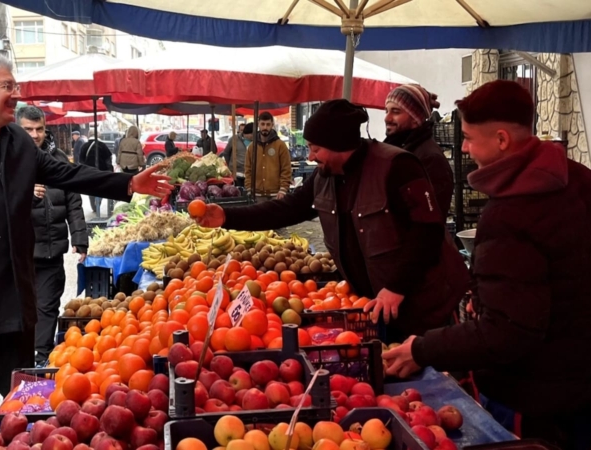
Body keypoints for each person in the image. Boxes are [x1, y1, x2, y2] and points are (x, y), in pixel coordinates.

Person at [0, 55, 172, 450]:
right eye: (8, 86)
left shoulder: (16, 140)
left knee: (28, 396)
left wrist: (128, 184)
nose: (16, 95)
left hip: (12, 291)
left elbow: (66, 173)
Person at [382, 80, 591, 450]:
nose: (463, 147)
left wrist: (422, 349)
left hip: (536, 394)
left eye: (467, 138)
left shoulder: (511, 212)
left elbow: (507, 331)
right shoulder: (578, 177)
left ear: (501, 140)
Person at [192, 100, 468, 341]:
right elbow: (287, 209)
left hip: (421, 303)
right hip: (375, 304)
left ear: (338, 145)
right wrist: (227, 216)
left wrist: (397, 287)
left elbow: (428, 230)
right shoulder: (326, 175)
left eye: (315, 148)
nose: (310, 156)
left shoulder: (397, 167)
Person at [16, 106, 89, 366]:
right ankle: (21, 357)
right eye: (28, 129)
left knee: (47, 305)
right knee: (22, 308)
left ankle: (41, 357)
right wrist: (22, 192)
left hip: (51, 249)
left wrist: (80, 238)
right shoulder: (6, 159)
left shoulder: (58, 159)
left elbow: (74, 201)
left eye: (39, 129)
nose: (35, 135)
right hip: (18, 252)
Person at [384, 84, 453, 216]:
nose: (387, 118)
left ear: (415, 119)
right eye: (386, 111)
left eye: (396, 112)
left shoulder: (430, 158)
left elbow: (430, 216)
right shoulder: (394, 149)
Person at [245, 112, 292, 202]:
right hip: (257, 195)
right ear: (258, 124)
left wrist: (283, 189)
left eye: (268, 124)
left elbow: (286, 169)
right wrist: (249, 188)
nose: (265, 127)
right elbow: (248, 169)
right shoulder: (252, 147)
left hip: (276, 195)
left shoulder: (280, 145)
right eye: (262, 124)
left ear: (272, 125)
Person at [78, 131, 114, 214]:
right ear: (98, 135)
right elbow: (108, 160)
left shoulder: (84, 146)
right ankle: (98, 203)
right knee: (101, 189)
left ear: (89, 135)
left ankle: (94, 207)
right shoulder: (103, 146)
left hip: (88, 172)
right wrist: (110, 171)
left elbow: (80, 161)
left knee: (90, 189)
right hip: (102, 172)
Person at [221, 123, 251, 188]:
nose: (243, 131)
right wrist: (230, 165)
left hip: (248, 174)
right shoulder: (234, 139)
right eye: (241, 130)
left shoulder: (252, 140)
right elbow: (226, 153)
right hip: (236, 173)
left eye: (244, 130)